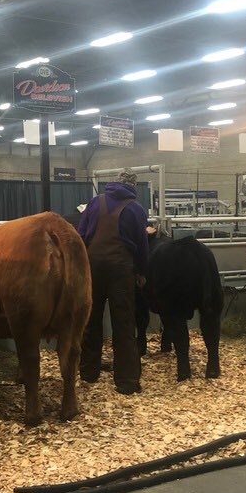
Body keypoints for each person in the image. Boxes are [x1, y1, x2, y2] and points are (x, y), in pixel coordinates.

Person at [78, 168, 150, 395]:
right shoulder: (135, 209)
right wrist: (141, 272)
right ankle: (127, 381)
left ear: (113, 182)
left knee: (91, 320)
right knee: (124, 324)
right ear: (133, 187)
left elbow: (81, 236)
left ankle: (88, 372)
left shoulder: (94, 203)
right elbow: (141, 245)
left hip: (93, 267)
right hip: (121, 270)